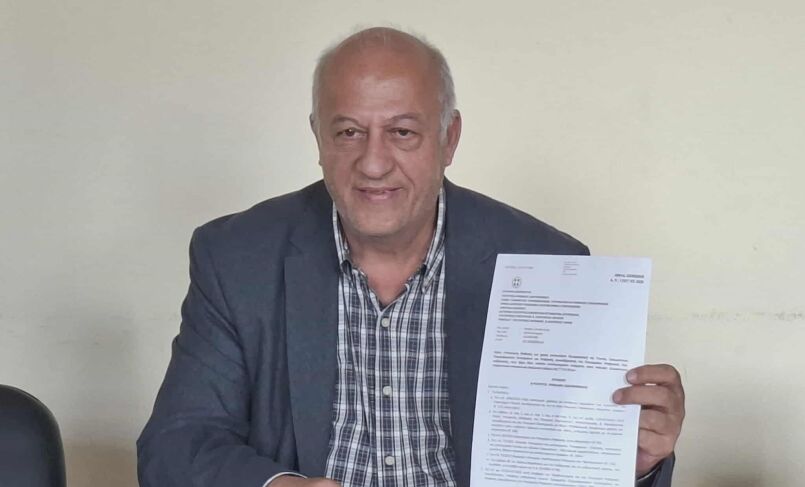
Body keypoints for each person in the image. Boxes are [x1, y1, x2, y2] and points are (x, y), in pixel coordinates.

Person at [137, 27, 685, 487]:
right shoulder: (237, 258)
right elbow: (176, 444)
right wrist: (277, 485)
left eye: (402, 132)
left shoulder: (548, 263)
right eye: (348, 132)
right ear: (318, 137)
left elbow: (570, 469)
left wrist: (632, 463)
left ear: (449, 139)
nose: (373, 163)